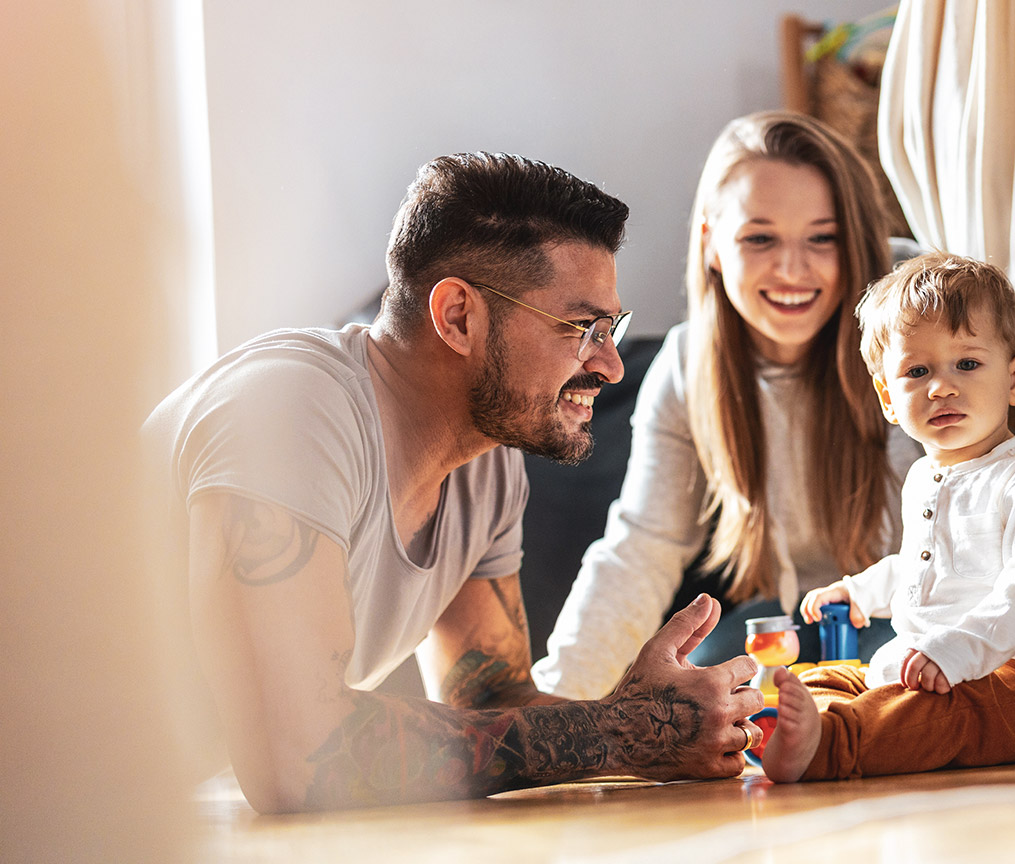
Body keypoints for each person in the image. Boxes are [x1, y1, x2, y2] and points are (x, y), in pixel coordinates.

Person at [532, 111, 1015, 748]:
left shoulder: (911, 350)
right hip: (799, 613)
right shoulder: (690, 364)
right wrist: (555, 704)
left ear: (859, 241)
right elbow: (642, 547)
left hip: (923, 621)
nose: (791, 269)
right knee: (704, 691)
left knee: (902, 690)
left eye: (822, 239)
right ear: (714, 244)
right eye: (759, 238)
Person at [144, 153, 765, 813]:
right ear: (459, 316)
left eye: (611, 330)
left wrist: (664, 727)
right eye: (582, 329)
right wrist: (620, 730)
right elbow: (298, 761)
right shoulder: (290, 409)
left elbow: (492, 702)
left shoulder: (486, 457)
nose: (610, 366)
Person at [763, 252, 1015, 781]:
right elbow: (920, 567)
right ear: (888, 399)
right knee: (837, 676)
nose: (941, 387)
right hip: (939, 667)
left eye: (967, 364)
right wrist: (859, 593)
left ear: (1014, 379)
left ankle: (830, 745)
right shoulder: (924, 477)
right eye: (917, 372)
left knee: (943, 712)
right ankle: (804, 724)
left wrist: (960, 650)